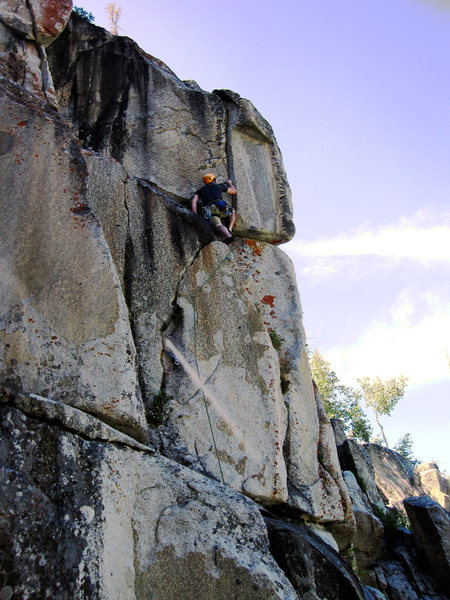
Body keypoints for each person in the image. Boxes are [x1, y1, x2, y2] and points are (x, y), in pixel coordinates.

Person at [192, 173, 237, 244]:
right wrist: (230, 183)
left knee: (218, 225)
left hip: (210, 209)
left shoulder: (200, 190)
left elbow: (194, 200)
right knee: (232, 213)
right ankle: (230, 229)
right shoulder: (218, 186)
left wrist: (194, 213)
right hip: (220, 205)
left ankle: (229, 236)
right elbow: (234, 191)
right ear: (214, 180)